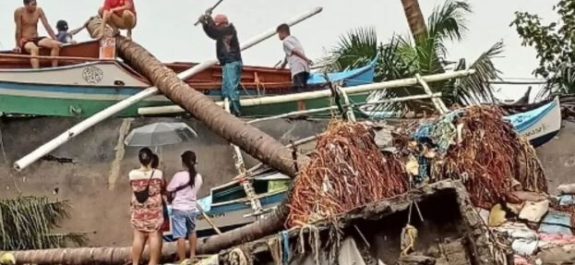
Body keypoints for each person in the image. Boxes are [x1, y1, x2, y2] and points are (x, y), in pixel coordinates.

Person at [199, 14, 243, 116]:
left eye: (217, 25)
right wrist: (206, 24)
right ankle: (228, 111)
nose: (217, 27)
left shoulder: (228, 30)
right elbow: (213, 32)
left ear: (223, 24)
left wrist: (207, 21)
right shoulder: (224, 32)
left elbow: (214, 32)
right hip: (228, 63)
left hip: (231, 62)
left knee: (231, 89)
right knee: (226, 90)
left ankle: (236, 112)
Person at [166, 151, 203, 263]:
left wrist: (170, 199)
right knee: (192, 232)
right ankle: (192, 256)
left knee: (180, 236)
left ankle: (183, 260)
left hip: (179, 209)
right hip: (191, 209)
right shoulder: (199, 177)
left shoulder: (178, 176)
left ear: (183, 163)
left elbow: (168, 190)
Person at [129, 148, 164, 265]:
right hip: (154, 212)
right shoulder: (158, 174)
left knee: (138, 237)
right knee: (153, 236)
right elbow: (162, 186)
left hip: (139, 212)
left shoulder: (132, 174)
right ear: (151, 159)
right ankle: (153, 262)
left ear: (139, 159)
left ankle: (135, 263)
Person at [13, 0, 62, 68]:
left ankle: (54, 68)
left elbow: (47, 26)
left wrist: (55, 39)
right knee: (34, 49)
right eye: (33, 4)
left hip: (36, 38)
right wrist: (17, 45)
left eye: (35, 4)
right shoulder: (19, 11)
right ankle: (36, 71)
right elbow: (18, 30)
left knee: (55, 45)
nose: (35, 6)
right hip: (25, 40)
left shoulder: (39, 10)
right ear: (26, 5)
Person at [276, 24, 313, 110]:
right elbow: (288, 56)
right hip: (305, 68)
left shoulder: (285, 41)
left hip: (297, 68)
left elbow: (294, 51)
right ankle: (303, 111)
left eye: (279, 34)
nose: (278, 36)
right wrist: (282, 66)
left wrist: (307, 59)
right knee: (302, 89)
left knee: (299, 90)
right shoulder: (294, 39)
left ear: (282, 32)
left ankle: (302, 112)